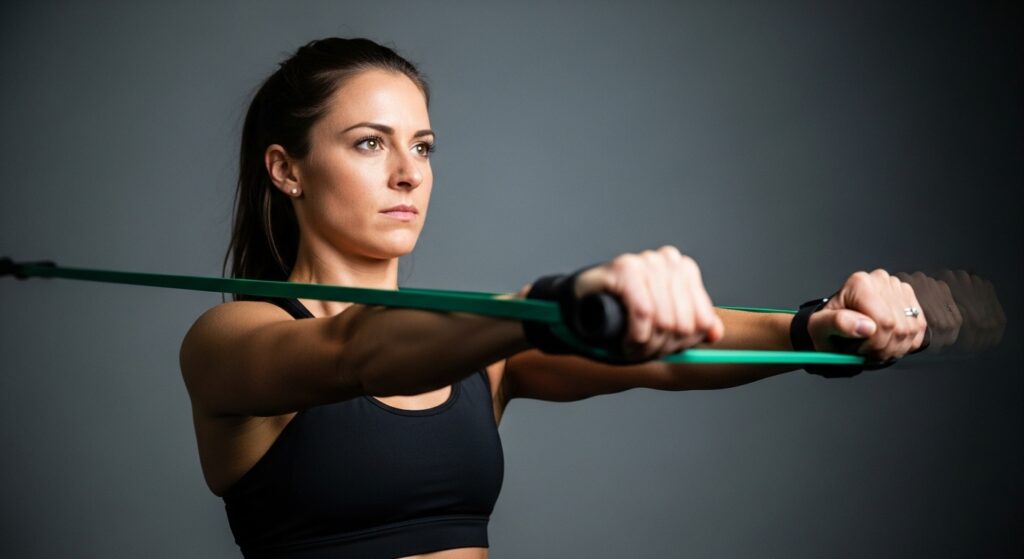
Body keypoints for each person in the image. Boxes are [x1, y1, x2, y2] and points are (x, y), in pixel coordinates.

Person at [178, 37, 928, 559]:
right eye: (370, 142)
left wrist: (814, 329)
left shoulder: (485, 351)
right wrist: (548, 299)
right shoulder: (228, 340)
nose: (409, 172)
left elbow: (660, 360)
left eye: (424, 145)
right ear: (286, 169)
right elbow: (356, 353)